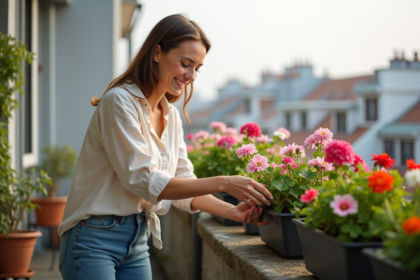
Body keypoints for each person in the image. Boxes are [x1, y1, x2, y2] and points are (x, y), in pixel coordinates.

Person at [58, 14, 272, 280]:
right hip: (92, 240)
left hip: (137, 242)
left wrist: (232, 211)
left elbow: (182, 185)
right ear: (157, 52)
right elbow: (142, 179)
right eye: (185, 64)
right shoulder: (119, 102)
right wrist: (225, 182)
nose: (191, 76)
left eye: (197, 68)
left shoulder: (170, 117)